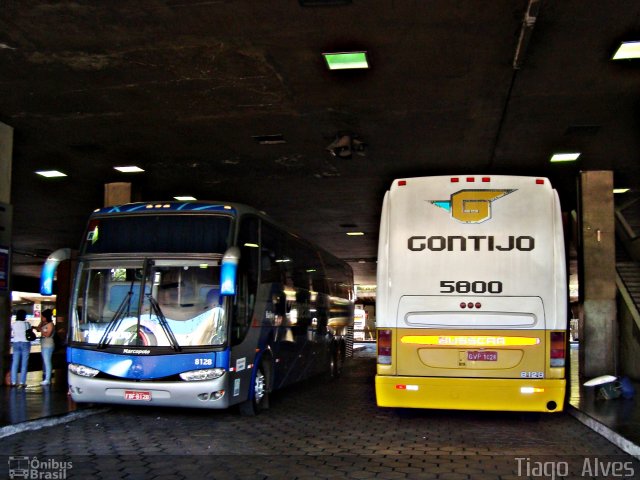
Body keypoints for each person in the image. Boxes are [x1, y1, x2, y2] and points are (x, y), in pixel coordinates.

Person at [10, 309, 32, 387]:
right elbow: (30, 332)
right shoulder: (27, 324)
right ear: (24, 316)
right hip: (25, 343)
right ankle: (22, 382)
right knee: (24, 363)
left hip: (16, 343)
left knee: (15, 363)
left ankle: (13, 382)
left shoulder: (14, 324)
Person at [38, 309, 55, 385]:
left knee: (47, 362)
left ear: (46, 317)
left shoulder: (50, 324)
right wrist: (41, 323)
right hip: (44, 344)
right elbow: (38, 328)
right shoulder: (44, 323)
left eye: (43, 317)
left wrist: (41, 331)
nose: (42, 318)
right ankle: (46, 376)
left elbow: (47, 335)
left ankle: (47, 379)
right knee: (45, 361)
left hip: (48, 344)